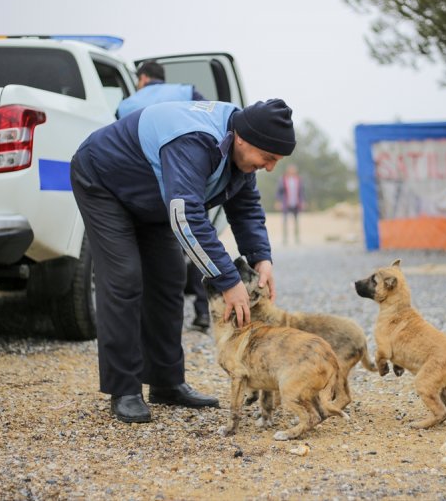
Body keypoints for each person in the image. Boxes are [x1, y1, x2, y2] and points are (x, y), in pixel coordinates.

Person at [70, 98, 295, 423]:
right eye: (268, 158)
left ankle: (165, 382)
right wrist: (228, 281)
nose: (270, 167)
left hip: (151, 195)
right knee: (124, 278)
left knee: (168, 276)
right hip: (103, 183)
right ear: (244, 139)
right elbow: (186, 216)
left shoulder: (243, 148)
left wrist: (262, 258)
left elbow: (245, 208)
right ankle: (125, 389)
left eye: (277, 160)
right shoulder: (195, 141)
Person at [117, 60, 211, 333]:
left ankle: (149, 316)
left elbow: (123, 140)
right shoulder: (186, 91)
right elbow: (206, 125)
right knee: (197, 244)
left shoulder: (127, 104)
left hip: (145, 190)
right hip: (185, 181)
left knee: (150, 251)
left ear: (143, 78)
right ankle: (203, 312)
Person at [116, 60, 205, 119]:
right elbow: (208, 113)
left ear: (143, 77)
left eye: (138, 80)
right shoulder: (185, 91)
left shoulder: (125, 105)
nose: (136, 85)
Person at [275, 163, 305, 244]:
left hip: (296, 203)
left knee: (296, 222)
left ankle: (297, 238)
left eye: (293, 169)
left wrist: (302, 202)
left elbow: (301, 192)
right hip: (286, 203)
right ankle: (285, 239)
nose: (292, 171)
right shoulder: (283, 179)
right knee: (285, 221)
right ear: (288, 170)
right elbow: (279, 191)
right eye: (291, 169)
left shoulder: (299, 179)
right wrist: (278, 201)